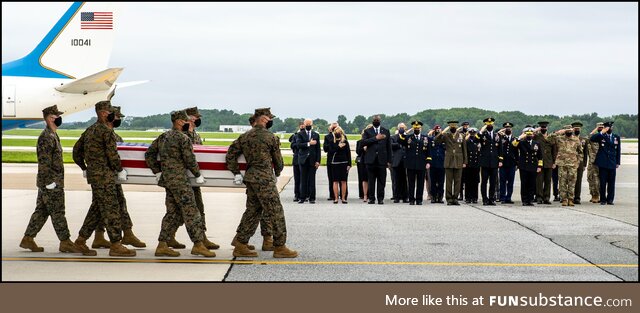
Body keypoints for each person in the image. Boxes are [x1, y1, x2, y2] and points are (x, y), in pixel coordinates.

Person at [226, 108, 298, 258]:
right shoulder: (270, 137)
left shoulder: (245, 136)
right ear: (264, 119)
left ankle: (240, 243)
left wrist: (236, 173)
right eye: (269, 118)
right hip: (265, 179)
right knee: (276, 212)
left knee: (252, 212)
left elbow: (230, 155)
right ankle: (280, 247)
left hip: (251, 178)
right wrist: (277, 173)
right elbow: (278, 161)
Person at [145, 110, 214, 257]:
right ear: (179, 122)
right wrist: (197, 174)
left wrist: (157, 171)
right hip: (180, 181)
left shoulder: (163, 137)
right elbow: (190, 159)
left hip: (168, 180)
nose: (188, 123)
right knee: (192, 212)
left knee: (173, 213)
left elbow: (149, 154)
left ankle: (162, 245)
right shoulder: (183, 138)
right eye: (186, 120)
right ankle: (198, 245)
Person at [19, 105, 84, 255]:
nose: (59, 118)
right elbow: (44, 162)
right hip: (50, 182)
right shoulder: (46, 137)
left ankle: (28, 238)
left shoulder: (53, 135)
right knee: (58, 211)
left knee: (42, 211)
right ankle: (65, 242)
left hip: (52, 181)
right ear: (49, 118)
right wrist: (49, 182)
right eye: (56, 116)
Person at [79, 106, 145, 250]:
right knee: (111, 209)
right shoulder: (106, 131)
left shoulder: (90, 130)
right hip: (105, 176)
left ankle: (81, 240)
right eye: (113, 114)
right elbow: (112, 155)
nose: (117, 118)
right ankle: (116, 244)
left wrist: (85, 168)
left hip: (98, 176)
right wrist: (119, 169)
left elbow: (76, 151)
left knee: (97, 209)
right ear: (103, 114)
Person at [179, 106, 220, 250]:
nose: (198, 120)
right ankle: (166, 240)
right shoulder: (181, 134)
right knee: (177, 212)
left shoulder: (194, 133)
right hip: (182, 178)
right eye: (196, 117)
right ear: (189, 118)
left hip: (193, 178)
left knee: (199, 208)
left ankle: (202, 237)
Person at [361, 115, 392, 204]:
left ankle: (380, 198)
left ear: (380, 121)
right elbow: (363, 142)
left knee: (382, 181)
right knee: (371, 180)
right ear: (372, 121)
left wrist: (389, 160)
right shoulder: (367, 131)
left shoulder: (385, 131)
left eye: (377, 120)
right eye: (375, 120)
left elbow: (388, 147)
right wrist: (375, 138)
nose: (376, 121)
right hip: (371, 160)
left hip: (382, 160)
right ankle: (371, 198)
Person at [437, 120, 467, 205]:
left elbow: (464, 149)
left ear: (456, 127)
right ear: (449, 127)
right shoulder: (446, 135)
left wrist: (465, 161)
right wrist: (442, 132)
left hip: (459, 161)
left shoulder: (461, 136)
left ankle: (455, 198)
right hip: (449, 161)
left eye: (454, 126)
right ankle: (449, 199)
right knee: (449, 182)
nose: (453, 127)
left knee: (458, 181)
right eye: (451, 126)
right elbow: (436, 140)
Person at [590, 122, 621, 205]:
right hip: (603, 163)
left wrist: (618, 162)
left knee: (611, 182)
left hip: (612, 162)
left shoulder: (616, 137)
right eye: (607, 127)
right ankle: (603, 199)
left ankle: (610, 199)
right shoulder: (601, 136)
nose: (609, 129)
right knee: (603, 182)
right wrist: (601, 132)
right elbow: (592, 138)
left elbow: (618, 150)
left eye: (610, 127)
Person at [552, 125, 583, 206]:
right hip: (562, 164)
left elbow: (580, 152)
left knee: (572, 182)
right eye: (567, 130)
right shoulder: (559, 138)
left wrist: (578, 162)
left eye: (570, 130)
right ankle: (564, 199)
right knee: (562, 183)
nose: (569, 131)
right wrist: (557, 132)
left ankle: (571, 199)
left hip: (573, 164)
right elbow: (548, 139)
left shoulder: (576, 139)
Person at [400, 121, 429, 205]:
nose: (417, 129)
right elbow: (400, 140)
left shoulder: (425, 138)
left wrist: (428, 162)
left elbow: (428, 151)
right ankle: (411, 199)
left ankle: (419, 199)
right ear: (413, 129)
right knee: (411, 183)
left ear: (421, 129)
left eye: (418, 128)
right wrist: (406, 132)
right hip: (411, 164)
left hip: (421, 163)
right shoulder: (408, 137)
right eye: (415, 128)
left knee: (420, 183)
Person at [512, 127, 542, 206]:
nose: (529, 136)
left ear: (533, 135)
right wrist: (519, 137)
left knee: (532, 184)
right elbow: (513, 145)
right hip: (524, 166)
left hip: (533, 166)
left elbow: (540, 156)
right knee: (524, 184)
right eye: (527, 134)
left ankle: (530, 200)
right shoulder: (521, 142)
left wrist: (539, 166)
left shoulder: (536, 143)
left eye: (530, 134)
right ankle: (524, 200)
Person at [295, 119, 321, 204]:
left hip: (312, 160)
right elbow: (298, 145)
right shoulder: (300, 134)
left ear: (312, 124)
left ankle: (312, 197)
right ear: (304, 124)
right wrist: (309, 143)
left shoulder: (316, 135)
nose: (308, 125)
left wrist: (318, 161)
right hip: (303, 160)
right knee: (303, 179)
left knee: (312, 180)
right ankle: (302, 197)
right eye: (307, 124)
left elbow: (318, 149)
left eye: (310, 124)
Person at [478, 117, 502, 206]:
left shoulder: (497, 135)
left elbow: (500, 149)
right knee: (484, 182)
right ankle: (485, 199)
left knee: (493, 182)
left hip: (494, 162)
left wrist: (500, 160)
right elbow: (476, 139)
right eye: (488, 124)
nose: (490, 125)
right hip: (484, 162)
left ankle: (491, 198)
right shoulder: (482, 135)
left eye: (491, 124)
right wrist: (481, 131)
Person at [327, 126, 352, 203]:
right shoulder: (332, 142)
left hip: (344, 163)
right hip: (335, 163)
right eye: (336, 133)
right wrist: (338, 147)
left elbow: (348, 153)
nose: (338, 134)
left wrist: (349, 164)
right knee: (335, 181)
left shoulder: (345, 142)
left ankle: (343, 198)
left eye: (339, 133)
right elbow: (331, 152)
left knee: (344, 181)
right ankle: (336, 198)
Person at [534, 121, 556, 205]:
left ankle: (546, 198)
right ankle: (539, 197)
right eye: (542, 127)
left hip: (549, 162)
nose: (543, 129)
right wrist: (537, 130)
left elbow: (554, 150)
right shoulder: (536, 136)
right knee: (539, 181)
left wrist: (554, 162)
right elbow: (528, 134)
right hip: (539, 162)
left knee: (548, 181)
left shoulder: (550, 137)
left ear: (547, 128)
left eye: (545, 127)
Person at [497, 122, 518, 204]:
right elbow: (496, 134)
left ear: (511, 129)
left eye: (509, 127)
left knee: (510, 181)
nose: (508, 129)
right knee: (502, 181)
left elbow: (516, 152)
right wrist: (502, 131)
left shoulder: (514, 139)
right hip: (503, 163)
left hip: (512, 163)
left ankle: (508, 197)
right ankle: (502, 197)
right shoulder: (501, 137)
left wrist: (517, 163)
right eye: (506, 127)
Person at [426, 125, 445, 203]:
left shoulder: (443, 139)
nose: (438, 131)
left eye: (439, 130)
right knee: (433, 181)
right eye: (437, 130)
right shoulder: (431, 139)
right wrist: (430, 133)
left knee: (441, 181)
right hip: (433, 163)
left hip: (441, 163)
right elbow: (426, 139)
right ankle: (433, 196)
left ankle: (440, 197)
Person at [390, 123, 409, 203]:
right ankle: (396, 196)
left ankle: (405, 197)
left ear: (405, 129)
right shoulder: (393, 137)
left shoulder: (407, 137)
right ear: (398, 129)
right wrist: (400, 143)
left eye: (403, 128)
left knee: (405, 180)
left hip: (405, 161)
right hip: (396, 161)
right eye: (400, 127)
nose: (402, 129)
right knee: (396, 180)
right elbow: (391, 145)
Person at [571, 122, 589, 204]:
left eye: (578, 129)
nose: (577, 130)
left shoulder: (584, 140)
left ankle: (577, 197)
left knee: (578, 181)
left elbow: (585, 153)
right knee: (569, 180)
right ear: (572, 129)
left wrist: (585, 164)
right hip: (570, 162)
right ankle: (568, 197)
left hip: (580, 163)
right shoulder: (569, 138)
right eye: (575, 129)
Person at [587, 122, 604, 203]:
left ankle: (597, 195)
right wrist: (596, 130)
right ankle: (593, 194)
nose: (600, 128)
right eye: (599, 127)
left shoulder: (604, 137)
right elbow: (589, 137)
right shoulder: (594, 138)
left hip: (600, 162)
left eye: (602, 127)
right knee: (591, 179)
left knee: (598, 180)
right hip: (592, 162)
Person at [463, 128, 481, 204]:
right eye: (471, 133)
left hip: (476, 164)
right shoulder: (466, 142)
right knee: (468, 182)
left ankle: (474, 197)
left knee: (475, 182)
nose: (472, 134)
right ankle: (467, 197)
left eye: (474, 133)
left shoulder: (479, 141)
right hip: (468, 164)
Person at [355, 125, 372, 202]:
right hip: (363, 161)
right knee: (364, 179)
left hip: (372, 161)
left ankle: (371, 194)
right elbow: (358, 152)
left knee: (371, 179)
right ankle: (364, 195)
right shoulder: (361, 141)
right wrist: (363, 148)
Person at [289, 121, 305, 202]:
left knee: (304, 179)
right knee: (297, 178)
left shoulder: (307, 136)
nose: (302, 127)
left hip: (304, 159)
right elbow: (292, 144)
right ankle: (297, 194)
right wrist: (298, 145)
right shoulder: (295, 135)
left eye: (303, 126)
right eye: (301, 126)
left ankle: (304, 194)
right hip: (296, 158)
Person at [457, 121, 470, 200]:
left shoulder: (471, 133)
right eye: (464, 125)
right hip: (461, 157)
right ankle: (461, 194)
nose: (466, 126)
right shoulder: (460, 133)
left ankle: (467, 195)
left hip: (469, 157)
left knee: (467, 178)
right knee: (461, 179)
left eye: (467, 125)